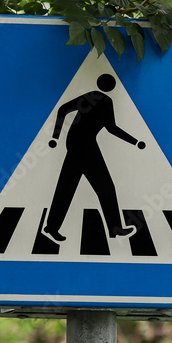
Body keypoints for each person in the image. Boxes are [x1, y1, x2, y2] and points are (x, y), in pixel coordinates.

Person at [43, 73, 145, 242]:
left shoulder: (93, 97)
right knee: (103, 187)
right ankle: (114, 228)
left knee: (67, 186)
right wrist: (55, 136)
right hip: (84, 147)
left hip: (79, 144)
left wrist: (57, 136)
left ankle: (52, 227)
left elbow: (110, 128)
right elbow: (112, 128)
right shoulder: (102, 100)